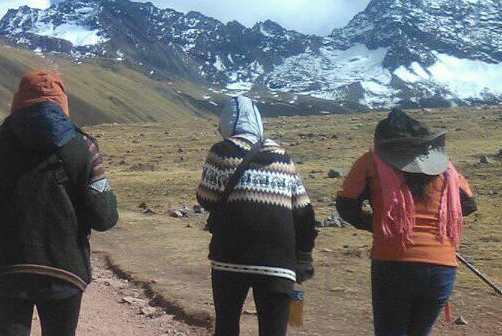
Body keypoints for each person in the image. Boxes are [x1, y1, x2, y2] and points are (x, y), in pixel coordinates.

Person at [0, 70, 117, 336]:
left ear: (18, 101)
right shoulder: (83, 147)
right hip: (65, 269)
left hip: (6, 268)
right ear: (62, 104)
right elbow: (104, 217)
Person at [335, 108, 477, 336]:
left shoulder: (371, 161)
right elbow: (468, 205)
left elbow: (346, 206)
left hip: (394, 262)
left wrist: (382, 225)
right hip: (442, 267)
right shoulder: (446, 167)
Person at [196, 95, 316, 336]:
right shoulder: (282, 156)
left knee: (226, 326)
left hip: (230, 256)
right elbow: (304, 212)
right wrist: (304, 257)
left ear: (226, 123)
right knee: (274, 330)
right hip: (279, 261)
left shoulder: (221, 151)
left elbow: (206, 198)